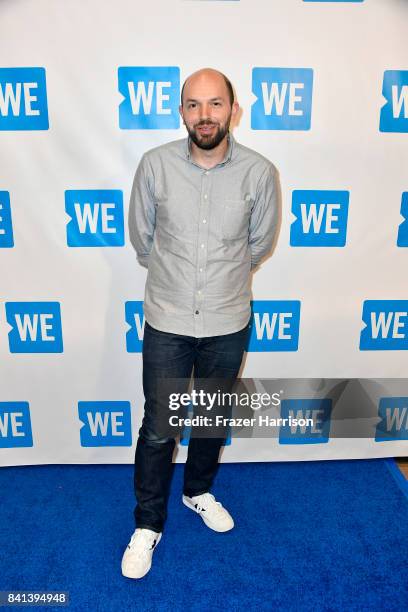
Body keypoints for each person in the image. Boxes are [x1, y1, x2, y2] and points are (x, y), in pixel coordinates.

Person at [122, 67, 279, 579]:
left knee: (211, 420)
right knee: (160, 428)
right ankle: (147, 524)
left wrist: (216, 285)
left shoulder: (259, 172)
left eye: (215, 104)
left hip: (228, 318)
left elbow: (257, 246)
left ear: (233, 110)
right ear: (182, 111)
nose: (204, 115)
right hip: (167, 317)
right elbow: (143, 240)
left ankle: (198, 492)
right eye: (194, 104)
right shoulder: (154, 165)